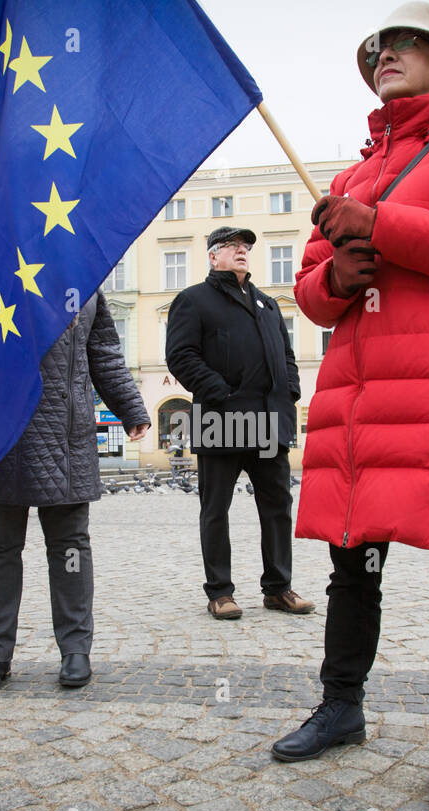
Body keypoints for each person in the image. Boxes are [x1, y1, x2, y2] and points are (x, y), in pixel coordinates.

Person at [271, 3, 429, 811]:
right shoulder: (348, 175)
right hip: (363, 396)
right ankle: (341, 704)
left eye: (405, 43)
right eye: (377, 47)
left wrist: (384, 224)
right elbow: (311, 294)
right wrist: (341, 276)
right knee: (354, 567)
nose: (386, 54)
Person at [0, 293, 150, 695]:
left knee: (70, 547)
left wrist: (130, 407)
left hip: (67, 439)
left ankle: (76, 650)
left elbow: (104, 354)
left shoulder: (84, 281)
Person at [165, 225, 314, 621]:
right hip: (221, 420)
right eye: (231, 246)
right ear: (213, 256)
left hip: (268, 421)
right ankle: (220, 592)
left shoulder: (267, 304)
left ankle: (278, 588)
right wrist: (220, 391)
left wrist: (289, 392)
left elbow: (286, 355)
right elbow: (180, 356)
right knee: (216, 508)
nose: (242, 251)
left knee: (278, 506)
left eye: (245, 246)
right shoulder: (193, 300)